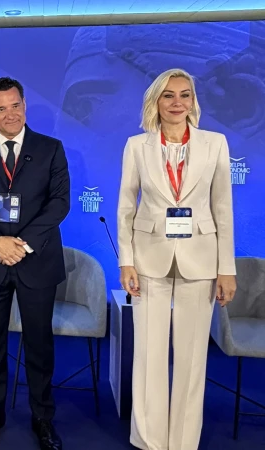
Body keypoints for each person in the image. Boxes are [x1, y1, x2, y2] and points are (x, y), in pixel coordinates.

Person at [118, 68, 236, 450]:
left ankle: (183, 442)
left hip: (200, 260)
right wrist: (126, 261)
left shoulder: (215, 143)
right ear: (156, 101)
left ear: (193, 101)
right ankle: (149, 440)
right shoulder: (136, 146)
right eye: (168, 95)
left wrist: (226, 269)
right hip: (148, 259)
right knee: (148, 355)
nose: (177, 102)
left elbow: (223, 209)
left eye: (185, 95)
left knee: (191, 358)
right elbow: (125, 207)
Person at [0, 77, 69, 450]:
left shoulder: (51, 148)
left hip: (36, 260)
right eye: (1, 108)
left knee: (39, 344)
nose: (10, 114)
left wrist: (21, 244)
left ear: (25, 104)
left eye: (15, 105)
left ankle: (42, 417)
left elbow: (59, 202)